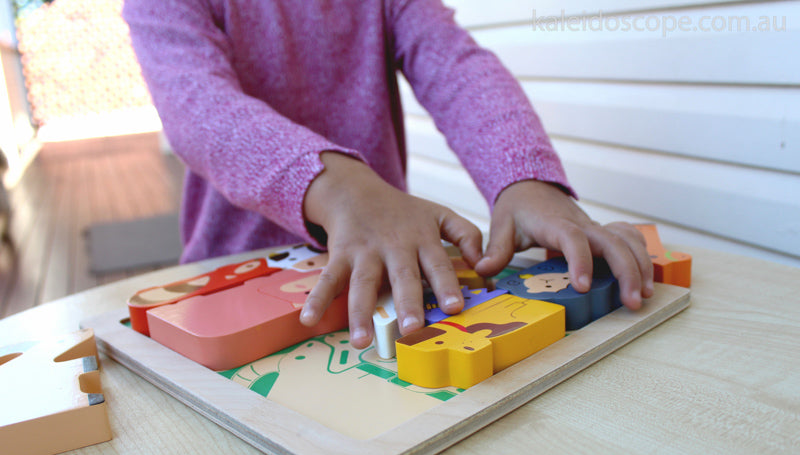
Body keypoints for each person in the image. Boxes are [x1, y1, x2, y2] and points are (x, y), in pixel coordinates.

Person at [124, 0, 653, 349]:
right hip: (232, 281)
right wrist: (338, 187)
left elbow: (455, 67)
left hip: (383, 280)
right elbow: (197, 107)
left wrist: (525, 178)